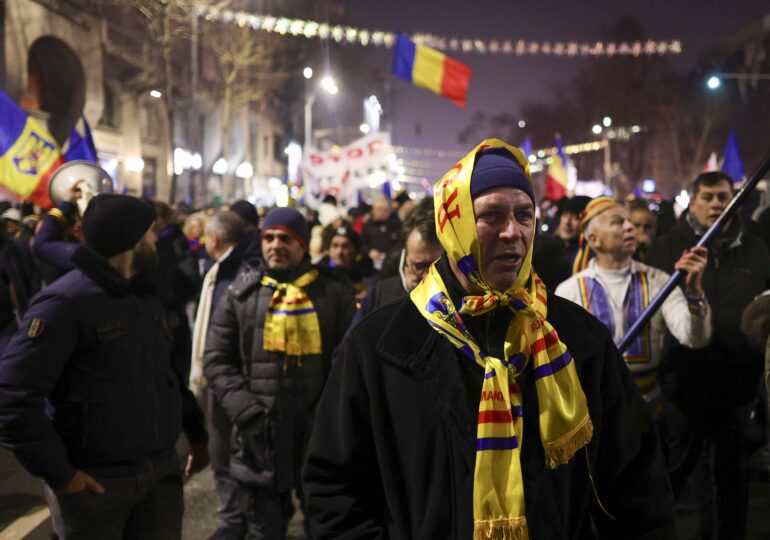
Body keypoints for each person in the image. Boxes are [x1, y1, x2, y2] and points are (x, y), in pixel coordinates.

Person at [302, 139, 675, 539]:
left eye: (524, 214)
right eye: (491, 215)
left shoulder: (579, 340)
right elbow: (334, 492)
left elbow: (638, 489)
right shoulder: (380, 346)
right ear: (454, 225)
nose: (513, 232)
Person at [0, 194, 208, 540]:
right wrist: (62, 476)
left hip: (158, 477)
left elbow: (166, 375)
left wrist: (197, 435)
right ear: (132, 240)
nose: (156, 239)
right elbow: (12, 398)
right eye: (150, 233)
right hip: (96, 486)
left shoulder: (142, 295)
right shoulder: (64, 303)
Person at [203, 207, 356, 539]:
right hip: (259, 438)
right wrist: (247, 412)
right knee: (264, 529)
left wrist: (327, 413)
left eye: (285, 239)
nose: (275, 245)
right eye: (268, 238)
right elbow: (216, 359)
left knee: (324, 526)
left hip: (318, 435)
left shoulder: (332, 291)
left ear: (302, 245)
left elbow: (347, 361)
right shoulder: (241, 293)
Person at [646, 171, 770, 538]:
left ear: (735, 201)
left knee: (732, 476)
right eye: (708, 197)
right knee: (681, 471)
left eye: (723, 197)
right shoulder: (667, 247)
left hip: (737, 380)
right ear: (694, 203)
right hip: (683, 381)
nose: (716, 204)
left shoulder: (756, 248)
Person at [555, 196, 711, 481]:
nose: (630, 228)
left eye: (629, 222)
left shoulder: (659, 281)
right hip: (596, 416)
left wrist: (695, 293)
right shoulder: (569, 292)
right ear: (594, 239)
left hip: (650, 410)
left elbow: (694, 338)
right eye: (618, 222)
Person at [188, 210, 248, 540]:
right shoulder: (231, 269)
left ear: (213, 239)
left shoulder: (230, 274)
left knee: (224, 454)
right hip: (232, 377)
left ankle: (233, 523)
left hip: (226, 379)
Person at [352, 200, 442, 325]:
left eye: (438, 266)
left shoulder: (463, 302)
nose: (428, 275)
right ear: (405, 255)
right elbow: (355, 336)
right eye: (419, 266)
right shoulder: (380, 295)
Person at [361, 196, 402, 270]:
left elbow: (400, 243)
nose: (374, 212)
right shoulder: (368, 225)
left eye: (378, 209)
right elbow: (362, 244)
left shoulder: (396, 225)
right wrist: (370, 251)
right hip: (371, 267)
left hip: (392, 265)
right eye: (374, 209)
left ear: (387, 211)